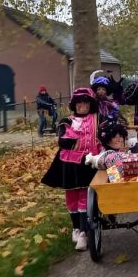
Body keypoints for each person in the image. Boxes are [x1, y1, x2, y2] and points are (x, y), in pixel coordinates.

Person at [40, 88, 102, 251]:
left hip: (89, 162)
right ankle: (75, 228)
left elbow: (107, 131)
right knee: (71, 196)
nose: (83, 106)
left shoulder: (97, 119)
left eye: (86, 103)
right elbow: (63, 141)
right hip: (69, 163)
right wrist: (73, 141)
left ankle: (83, 233)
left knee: (84, 196)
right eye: (79, 103)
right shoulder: (66, 121)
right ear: (75, 105)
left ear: (91, 104)